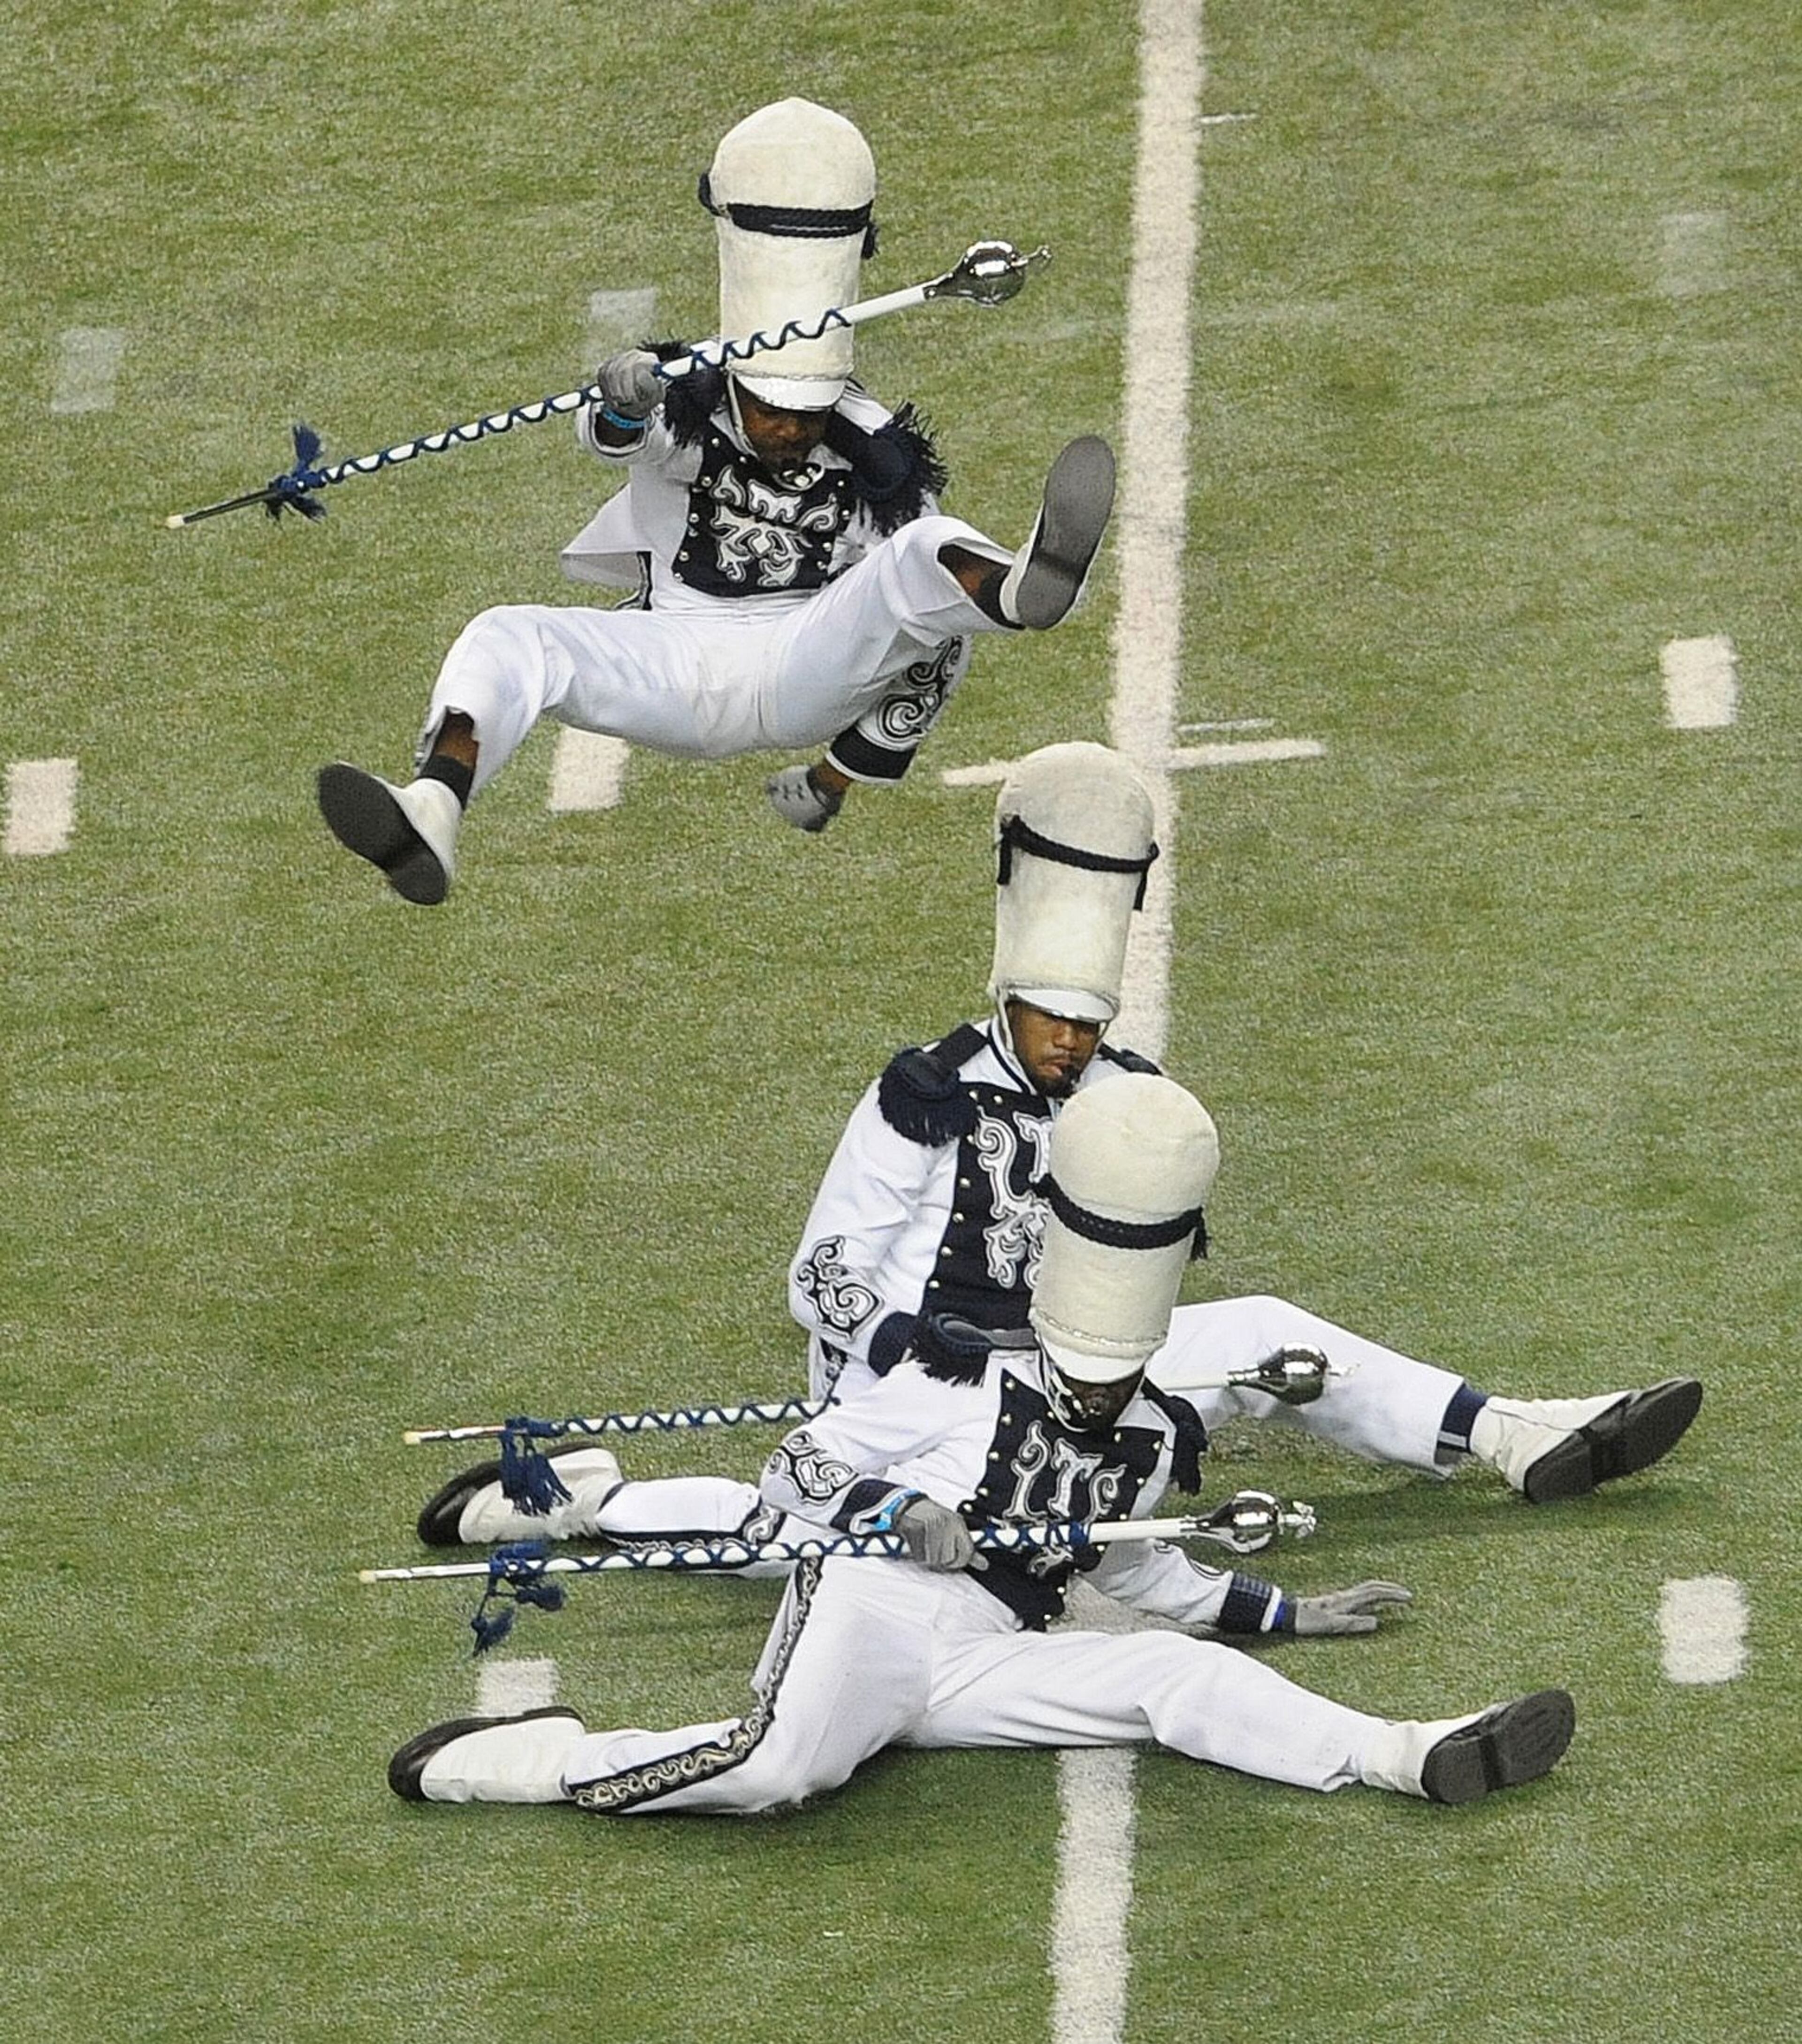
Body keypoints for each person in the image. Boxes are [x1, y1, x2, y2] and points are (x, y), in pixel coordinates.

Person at [416, 742, 1702, 1551]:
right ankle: (583, 1500)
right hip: (915, 1394)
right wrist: (918, 1346)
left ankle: (1519, 1435)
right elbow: (818, 1275)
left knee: (1267, 1329)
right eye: (1047, 1019)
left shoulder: (1125, 1095)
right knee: (797, 1542)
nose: (1067, 1045)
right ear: (1007, 992)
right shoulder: (923, 1092)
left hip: (1070, 1373)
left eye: (1088, 1024)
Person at [390, 1074, 1577, 1815]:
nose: (1100, 1399)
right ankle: (540, 1751)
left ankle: (1407, 1754)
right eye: (1086, 1374)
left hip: (993, 1644)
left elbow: (1132, 1562)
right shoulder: (957, 1369)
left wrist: (1281, 1612)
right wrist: (895, 1514)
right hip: (876, 1601)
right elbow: (793, 1474)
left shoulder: (1160, 1425)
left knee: (1171, 1675)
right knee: (772, 1770)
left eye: (1120, 1381)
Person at [315, 98, 1116, 903]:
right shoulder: (687, 401)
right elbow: (615, 437)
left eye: (808, 414)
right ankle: (433, 809)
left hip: (808, 660)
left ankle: (1022, 592)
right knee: (509, 636)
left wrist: (840, 771)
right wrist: (624, 402)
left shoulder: (880, 454)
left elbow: (928, 645)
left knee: (922, 554)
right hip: (676, 655)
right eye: (771, 410)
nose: (790, 430)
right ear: (736, 382)